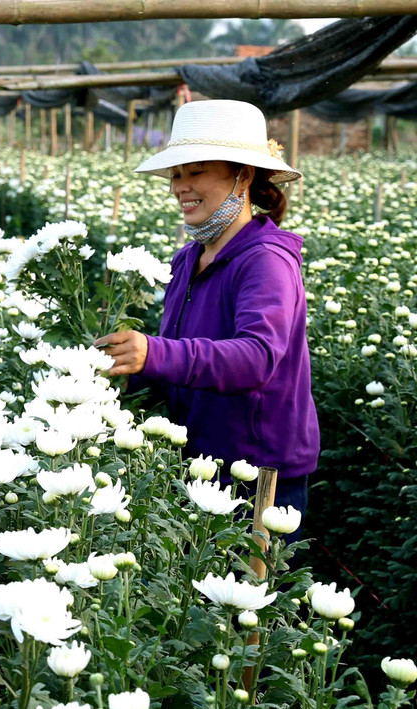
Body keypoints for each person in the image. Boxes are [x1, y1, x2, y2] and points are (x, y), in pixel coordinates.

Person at [93, 99, 320, 532]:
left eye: (195, 172)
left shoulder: (266, 261)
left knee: (244, 577)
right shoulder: (188, 258)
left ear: (243, 175)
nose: (181, 187)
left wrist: (153, 354)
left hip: (256, 475)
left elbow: (256, 358)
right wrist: (120, 373)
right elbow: (177, 357)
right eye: (176, 175)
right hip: (197, 461)